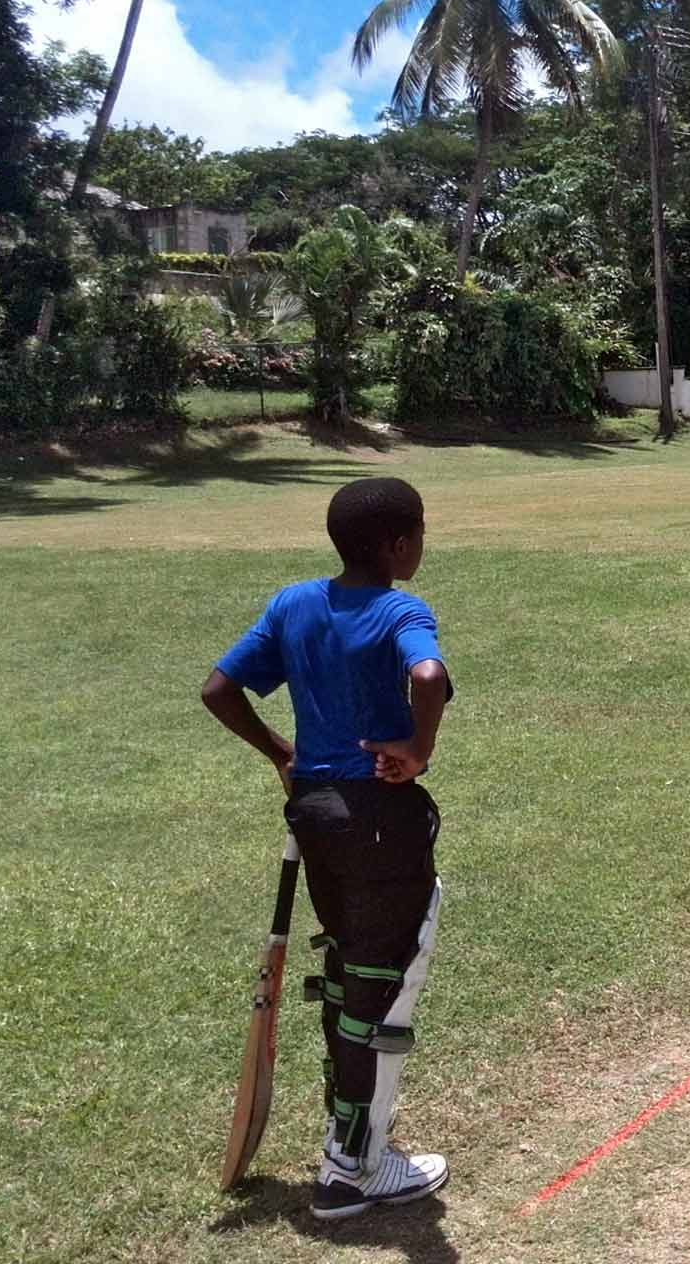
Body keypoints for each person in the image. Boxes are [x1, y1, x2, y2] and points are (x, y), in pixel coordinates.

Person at [201, 477, 455, 1219]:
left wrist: (282, 752)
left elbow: (220, 689)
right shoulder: (400, 608)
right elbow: (428, 674)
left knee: (349, 975)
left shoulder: (293, 603)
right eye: (421, 532)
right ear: (399, 545)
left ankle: (349, 1136)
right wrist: (418, 748)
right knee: (383, 983)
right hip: (379, 818)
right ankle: (353, 1169)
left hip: (315, 814)